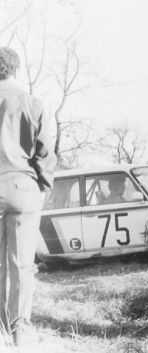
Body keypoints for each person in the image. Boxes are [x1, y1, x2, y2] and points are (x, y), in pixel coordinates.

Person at [0, 47, 56, 345]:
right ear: (16, 71)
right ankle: (19, 328)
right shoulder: (32, 103)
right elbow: (45, 149)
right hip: (23, 186)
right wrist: (43, 186)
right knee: (21, 263)